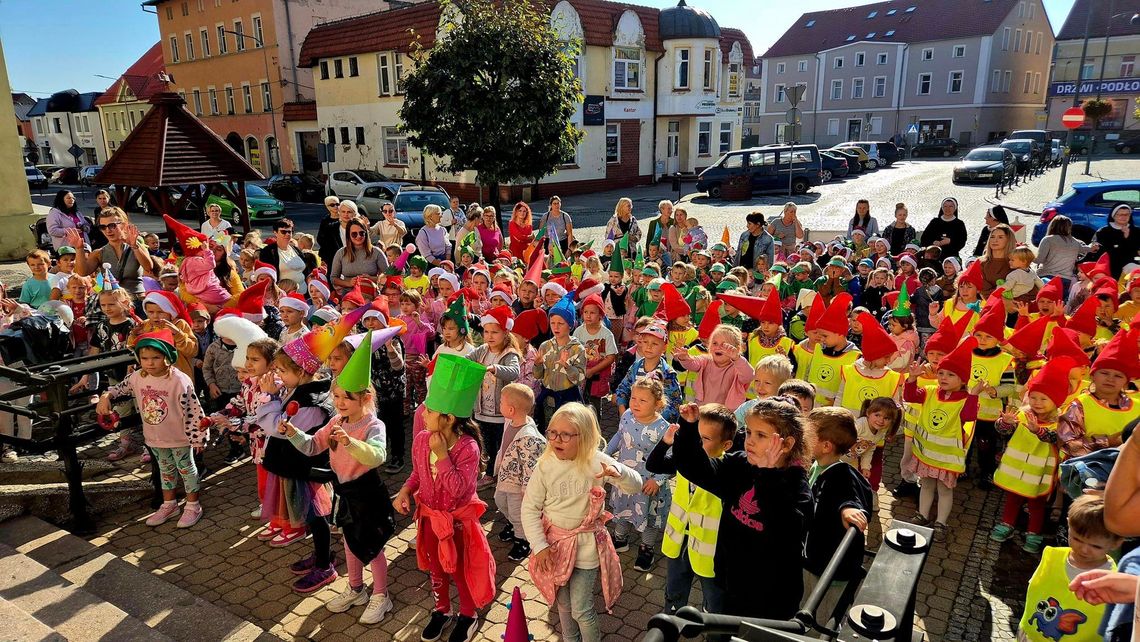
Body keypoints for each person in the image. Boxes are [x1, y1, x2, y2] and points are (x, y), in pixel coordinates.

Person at [282, 332, 398, 624]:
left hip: (368, 494)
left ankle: (381, 595)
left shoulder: (374, 424)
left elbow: (377, 456)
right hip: (343, 493)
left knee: (372, 547)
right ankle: (356, 588)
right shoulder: (336, 421)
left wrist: (349, 443)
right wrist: (293, 433)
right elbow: (312, 446)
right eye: (336, 396)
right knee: (349, 541)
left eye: (348, 397)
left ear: (366, 398)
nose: (341, 402)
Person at [669, 398, 812, 620]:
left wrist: (768, 476)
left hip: (769, 599)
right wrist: (688, 428)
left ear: (786, 444)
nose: (749, 441)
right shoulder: (740, 465)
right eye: (749, 432)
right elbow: (696, 468)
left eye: (761, 435)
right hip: (729, 584)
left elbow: (786, 534)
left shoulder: (796, 486)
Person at [394, 355, 496, 642]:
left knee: (461, 570)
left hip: (458, 525)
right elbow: (418, 473)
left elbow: (458, 489)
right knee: (436, 569)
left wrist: (442, 456)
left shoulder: (468, 448)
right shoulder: (422, 438)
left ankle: (468, 614)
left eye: (429, 409)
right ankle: (442, 609)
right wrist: (404, 490)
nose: (423, 413)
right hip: (430, 519)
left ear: (449, 418)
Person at [522, 402, 642, 642]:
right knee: (563, 603)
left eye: (566, 434)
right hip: (554, 547)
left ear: (584, 437)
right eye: (553, 432)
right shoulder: (545, 465)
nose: (557, 439)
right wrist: (540, 546)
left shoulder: (596, 461)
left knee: (581, 608)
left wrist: (618, 472)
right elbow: (529, 508)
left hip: (587, 547)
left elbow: (636, 484)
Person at [96, 330, 207, 528]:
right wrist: (106, 397)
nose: (150, 362)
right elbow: (119, 388)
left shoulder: (179, 380)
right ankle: (169, 504)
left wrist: (198, 436)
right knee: (165, 470)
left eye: (156, 357)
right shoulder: (137, 376)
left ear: (168, 357)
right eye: (145, 358)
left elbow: (193, 410)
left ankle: (193, 505)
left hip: (179, 437)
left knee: (186, 469)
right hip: (154, 437)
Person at [648, 402, 735, 615]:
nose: (695, 443)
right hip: (678, 542)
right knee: (674, 593)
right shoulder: (685, 462)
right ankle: (671, 626)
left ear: (726, 445)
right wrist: (665, 442)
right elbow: (654, 465)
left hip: (710, 555)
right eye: (696, 436)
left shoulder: (730, 472)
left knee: (714, 603)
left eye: (704, 439)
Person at [903, 338, 984, 541]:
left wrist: (973, 395)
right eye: (941, 373)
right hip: (926, 454)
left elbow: (968, 417)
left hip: (948, 459)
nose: (943, 377)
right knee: (927, 485)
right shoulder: (930, 392)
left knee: (945, 490)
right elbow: (911, 396)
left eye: (950, 374)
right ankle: (922, 515)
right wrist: (912, 379)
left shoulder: (966, 400)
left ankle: (941, 523)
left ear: (963, 380)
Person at [990, 358, 1072, 555]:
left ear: (1056, 400)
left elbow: (1056, 438)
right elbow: (1003, 433)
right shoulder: (1023, 412)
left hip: (1039, 473)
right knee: (1013, 498)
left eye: (1044, 399)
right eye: (1034, 397)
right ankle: (1007, 524)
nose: (1037, 403)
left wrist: (1038, 432)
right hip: (1016, 471)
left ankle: (1033, 533)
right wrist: (1005, 423)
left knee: (1036, 504)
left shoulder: (1060, 420)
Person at [1018, 495, 1122, 642]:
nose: (1084, 549)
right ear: (1068, 525)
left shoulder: (1115, 580)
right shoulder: (1051, 556)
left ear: (1117, 542)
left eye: (1095, 546)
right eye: (1077, 539)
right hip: (1030, 635)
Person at [802, 407, 872, 627]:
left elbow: (851, 499)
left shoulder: (842, 475)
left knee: (820, 618)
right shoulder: (817, 466)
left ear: (826, 445)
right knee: (805, 605)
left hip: (829, 569)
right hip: (811, 558)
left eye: (808, 435)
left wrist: (848, 509)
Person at [605, 377, 673, 572]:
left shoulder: (664, 428)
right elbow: (619, 436)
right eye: (634, 398)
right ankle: (620, 539)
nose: (635, 403)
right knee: (623, 510)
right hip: (625, 477)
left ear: (658, 404)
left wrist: (658, 481)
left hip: (648, 484)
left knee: (649, 518)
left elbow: (671, 459)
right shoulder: (626, 415)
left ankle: (646, 549)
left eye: (643, 400)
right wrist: (606, 455)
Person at [493, 383, 545, 562]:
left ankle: (523, 541)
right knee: (500, 501)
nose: (499, 405)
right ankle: (513, 525)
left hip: (519, 484)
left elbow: (531, 465)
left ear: (511, 409)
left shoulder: (530, 437)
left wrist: (527, 488)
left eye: (501, 402)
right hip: (506, 476)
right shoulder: (511, 422)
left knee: (517, 512)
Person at [470, 305, 522, 483]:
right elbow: (467, 360)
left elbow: (514, 371)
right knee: (484, 443)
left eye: (495, 332)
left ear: (505, 333)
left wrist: (495, 368)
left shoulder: (509, 354)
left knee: (498, 446)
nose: (489, 336)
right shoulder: (482, 350)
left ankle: (495, 474)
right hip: (482, 410)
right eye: (486, 331)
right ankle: (488, 471)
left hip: (500, 413)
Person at [69, 207, 156, 302]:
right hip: (111, 302)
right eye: (103, 227)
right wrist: (79, 249)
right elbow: (82, 272)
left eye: (112, 225)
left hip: (135, 300)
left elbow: (148, 267)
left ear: (124, 224)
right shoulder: (99, 253)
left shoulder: (136, 245)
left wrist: (135, 247)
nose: (108, 230)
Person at [533, 294, 587, 433]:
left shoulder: (577, 348)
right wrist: (537, 365)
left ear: (570, 325)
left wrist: (568, 367)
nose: (556, 327)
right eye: (553, 323)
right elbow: (538, 375)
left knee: (567, 432)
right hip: (547, 399)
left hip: (568, 399)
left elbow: (579, 378)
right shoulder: (545, 346)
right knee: (547, 429)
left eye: (560, 323)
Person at [1034, 215, 1094, 295]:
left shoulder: (1048, 240)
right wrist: (1092, 247)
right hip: (1066, 280)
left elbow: (1039, 260)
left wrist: (1027, 254)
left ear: (1052, 225)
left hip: (1047, 277)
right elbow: (1086, 249)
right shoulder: (1075, 242)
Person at [330, 217, 389, 295]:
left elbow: (388, 275)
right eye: (354, 234)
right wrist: (349, 283)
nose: (358, 236)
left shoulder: (376, 252)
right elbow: (333, 278)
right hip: (349, 296)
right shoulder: (341, 253)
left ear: (366, 234)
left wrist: (371, 279)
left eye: (361, 233)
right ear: (348, 236)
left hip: (371, 295)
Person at [1092, 204, 1140, 278]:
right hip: (1111, 266)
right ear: (1113, 216)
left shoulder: (1136, 231)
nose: (1123, 217)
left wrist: (1128, 237)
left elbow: (1136, 250)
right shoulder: (1103, 232)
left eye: (1126, 214)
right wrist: (1124, 238)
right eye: (1120, 214)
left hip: (1132, 265)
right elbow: (1104, 252)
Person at [259, 218, 311, 285]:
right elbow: (266, 277)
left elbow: (305, 271)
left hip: (303, 291)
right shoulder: (267, 252)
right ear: (275, 233)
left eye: (289, 232)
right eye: (283, 232)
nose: (287, 234)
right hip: (283, 293)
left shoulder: (296, 250)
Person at [978, 223, 1016, 299]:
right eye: (992, 237)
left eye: (1000, 237)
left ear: (1008, 240)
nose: (995, 240)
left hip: (1012, 305)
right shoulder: (981, 263)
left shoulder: (1016, 262)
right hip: (988, 304)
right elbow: (983, 289)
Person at [316, 195, 347, 268]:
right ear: (327, 207)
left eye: (337, 204)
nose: (336, 206)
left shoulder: (344, 217)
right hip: (329, 254)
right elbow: (320, 238)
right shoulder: (325, 220)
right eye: (332, 205)